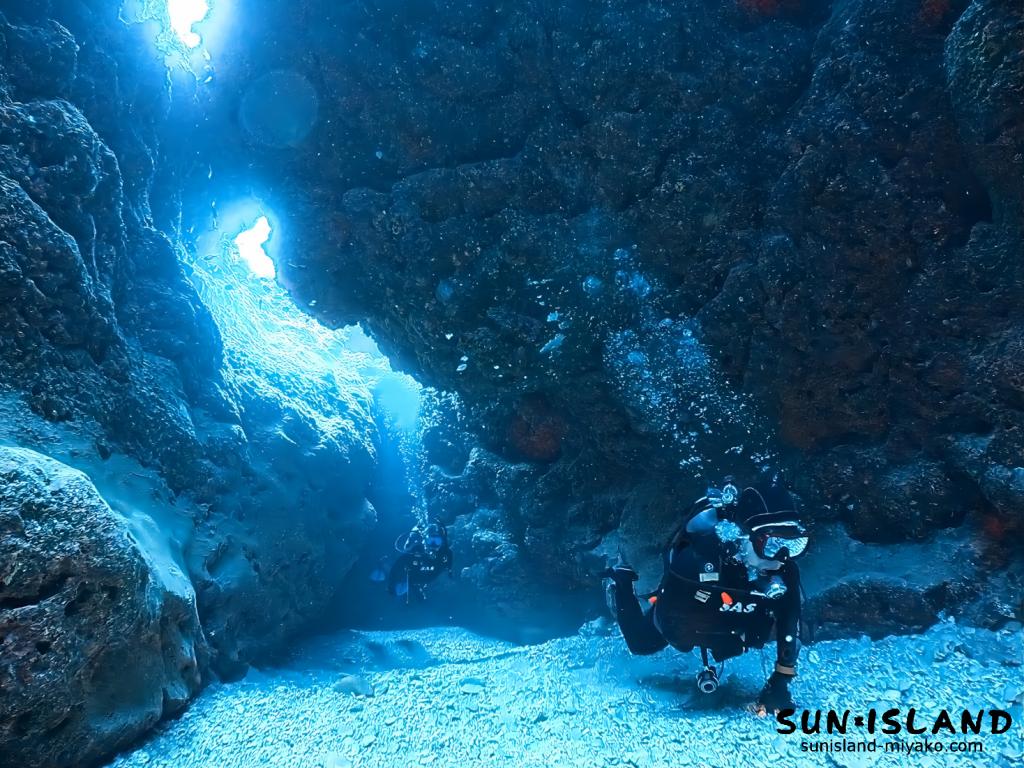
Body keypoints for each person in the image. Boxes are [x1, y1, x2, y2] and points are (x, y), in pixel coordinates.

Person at [605, 476, 807, 713]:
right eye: (771, 544)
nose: (782, 556)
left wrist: (780, 681)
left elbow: (790, 621)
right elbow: (668, 622)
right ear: (745, 537)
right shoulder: (699, 559)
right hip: (689, 609)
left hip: (731, 615)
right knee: (640, 643)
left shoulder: (785, 570)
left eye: (794, 545)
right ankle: (621, 578)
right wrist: (710, 638)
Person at [385, 520, 454, 603]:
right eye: (431, 541)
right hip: (415, 579)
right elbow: (398, 565)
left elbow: (449, 564)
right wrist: (391, 584)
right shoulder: (416, 553)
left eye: (437, 541)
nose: (433, 545)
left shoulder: (445, 553)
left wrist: (449, 573)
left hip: (430, 579)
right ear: (425, 542)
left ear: (441, 543)